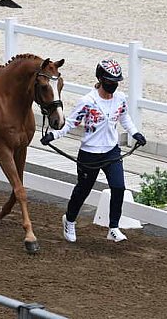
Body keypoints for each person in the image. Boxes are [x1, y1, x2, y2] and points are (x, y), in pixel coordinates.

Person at [40, 59, 147, 243]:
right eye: (109, 81)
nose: (113, 85)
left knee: (119, 187)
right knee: (83, 190)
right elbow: (72, 123)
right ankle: (70, 220)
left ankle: (113, 227)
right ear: (100, 79)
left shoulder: (120, 98)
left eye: (115, 82)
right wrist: (54, 136)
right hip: (90, 153)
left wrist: (135, 133)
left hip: (111, 152)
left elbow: (124, 117)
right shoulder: (88, 101)